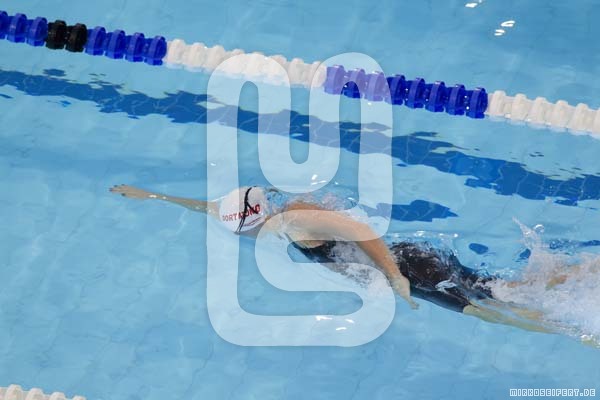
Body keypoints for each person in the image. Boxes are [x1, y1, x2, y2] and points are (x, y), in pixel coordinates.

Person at [109, 184, 559, 333]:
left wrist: (395, 279)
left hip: (411, 269)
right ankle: (570, 276)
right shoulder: (267, 211)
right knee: (501, 290)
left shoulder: (295, 222)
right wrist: (152, 196)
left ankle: (574, 332)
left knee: (488, 311)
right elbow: (208, 207)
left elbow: (362, 232)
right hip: (417, 258)